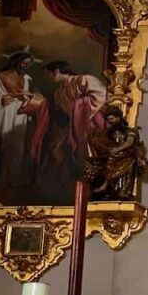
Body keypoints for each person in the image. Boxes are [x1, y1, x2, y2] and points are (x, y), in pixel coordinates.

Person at [0, 51, 48, 205]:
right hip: (1, 117)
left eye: (29, 64)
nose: (26, 66)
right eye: (24, 63)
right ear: (16, 61)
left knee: (18, 151)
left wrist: (31, 97)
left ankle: (12, 184)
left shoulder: (27, 79)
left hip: (21, 117)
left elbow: (35, 96)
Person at [39, 60, 107, 203]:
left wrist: (80, 107)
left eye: (49, 75)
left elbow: (100, 96)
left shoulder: (83, 80)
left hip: (91, 122)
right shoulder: (58, 93)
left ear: (57, 71)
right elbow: (61, 114)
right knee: (58, 149)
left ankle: (94, 185)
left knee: (90, 152)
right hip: (73, 126)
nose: (50, 79)